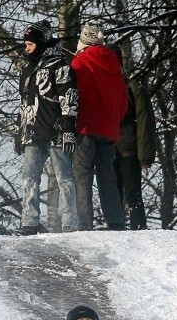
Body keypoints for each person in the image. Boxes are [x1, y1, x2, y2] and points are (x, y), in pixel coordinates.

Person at [18, 19, 79, 235]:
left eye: (30, 44)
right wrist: (20, 133)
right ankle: (29, 221)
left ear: (42, 43)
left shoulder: (61, 66)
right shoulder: (26, 70)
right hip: (32, 132)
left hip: (56, 132)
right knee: (29, 177)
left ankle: (70, 223)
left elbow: (69, 100)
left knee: (64, 178)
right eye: (26, 44)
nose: (26, 48)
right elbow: (24, 105)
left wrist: (69, 130)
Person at [71, 22, 128, 231]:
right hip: (108, 130)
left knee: (82, 176)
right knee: (107, 177)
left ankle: (84, 224)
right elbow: (123, 102)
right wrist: (113, 121)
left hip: (85, 128)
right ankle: (116, 221)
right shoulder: (114, 65)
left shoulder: (78, 64)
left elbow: (72, 97)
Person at [109, 44, 157, 230]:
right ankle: (117, 232)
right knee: (114, 195)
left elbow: (145, 119)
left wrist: (144, 155)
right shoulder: (102, 86)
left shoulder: (133, 85)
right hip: (109, 147)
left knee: (133, 194)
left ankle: (138, 230)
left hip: (128, 147)